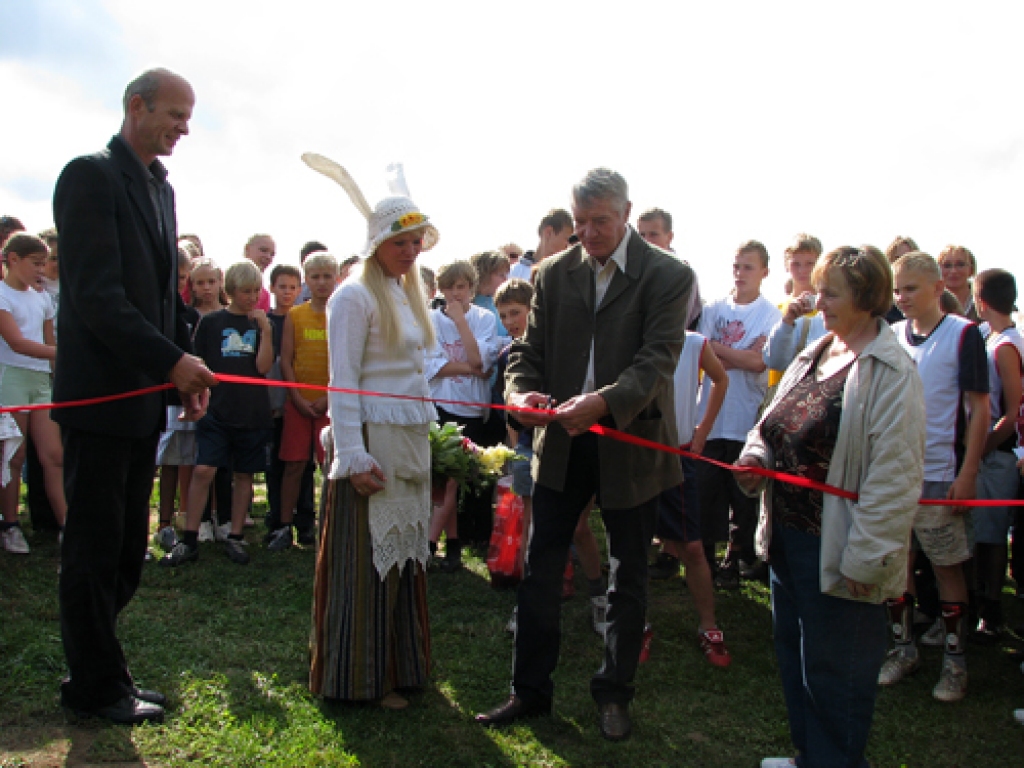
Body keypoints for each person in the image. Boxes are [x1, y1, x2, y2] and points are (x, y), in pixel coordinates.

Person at [476, 168, 693, 741]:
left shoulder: (669, 275)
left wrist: (602, 402)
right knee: (541, 568)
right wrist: (519, 393)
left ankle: (614, 693)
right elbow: (529, 351)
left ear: (626, 212)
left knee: (628, 576)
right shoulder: (552, 273)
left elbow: (657, 361)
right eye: (580, 222)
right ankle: (529, 691)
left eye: (600, 221)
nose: (589, 233)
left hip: (631, 444)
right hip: (561, 446)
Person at [52, 68, 215, 724]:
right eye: (174, 115)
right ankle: (94, 686)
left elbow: (159, 296)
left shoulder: (160, 187)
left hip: (143, 400)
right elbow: (98, 298)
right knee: (95, 550)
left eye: (188, 119)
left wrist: (185, 361)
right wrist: (172, 360)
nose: (182, 129)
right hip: (100, 400)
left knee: (124, 552)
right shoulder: (89, 176)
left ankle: (95, 670)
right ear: (136, 105)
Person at [737, 245, 926, 768]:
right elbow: (769, 421)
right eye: (819, 289)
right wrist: (756, 454)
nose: (818, 301)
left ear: (867, 299)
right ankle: (808, 758)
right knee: (797, 660)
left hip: (843, 549)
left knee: (836, 675)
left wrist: (868, 560)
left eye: (831, 293)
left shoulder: (892, 370)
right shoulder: (815, 350)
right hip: (788, 539)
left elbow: (895, 477)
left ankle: (834, 763)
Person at [308, 196, 438, 710]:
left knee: (406, 551)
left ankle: (401, 666)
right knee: (366, 561)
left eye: (416, 241)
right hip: (371, 437)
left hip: (407, 436)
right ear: (377, 243)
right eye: (400, 242)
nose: (410, 250)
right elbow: (342, 383)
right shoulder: (352, 297)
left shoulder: (405, 291)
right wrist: (353, 456)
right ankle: (359, 677)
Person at [879, 251, 989, 703]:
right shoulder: (891, 335)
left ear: (937, 287)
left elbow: (980, 408)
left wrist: (968, 472)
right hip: (894, 473)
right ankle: (903, 649)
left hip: (942, 473)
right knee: (896, 566)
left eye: (911, 288)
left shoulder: (964, 335)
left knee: (946, 567)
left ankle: (955, 661)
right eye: (897, 289)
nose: (902, 297)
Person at [160, 260, 274, 567]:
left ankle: (235, 536)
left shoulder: (260, 325)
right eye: (244, 291)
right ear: (231, 291)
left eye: (255, 291)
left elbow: (263, 367)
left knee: (244, 474)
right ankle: (189, 538)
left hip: (251, 410)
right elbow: (199, 362)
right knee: (204, 470)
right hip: (217, 410)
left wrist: (265, 329)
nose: (251, 297)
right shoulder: (212, 323)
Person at [695, 240, 782, 589]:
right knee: (705, 492)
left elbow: (760, 361)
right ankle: (706, 559)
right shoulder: (714, 308)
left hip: (744, 418)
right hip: (709, 417)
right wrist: (738, 355)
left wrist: (720, 354)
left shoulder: (770, 314)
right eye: (736, 266)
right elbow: (699, 352)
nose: (740, 273)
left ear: (764, 272)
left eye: (748, 267)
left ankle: (736, 559)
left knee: (742, 497)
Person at [652, 328, 732, 666]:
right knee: (630, 543)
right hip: (636, 455)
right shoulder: (632, 333)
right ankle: (632, 624)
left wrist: (703, 429)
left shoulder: (695, 342)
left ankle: (709, 627)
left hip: (679, 454)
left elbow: (721, 379)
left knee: (693, 546)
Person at [425, 260, 502, 567]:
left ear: (471, 288)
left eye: (461, 287)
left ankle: (433, 544)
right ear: (440, 290)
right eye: (449, 287)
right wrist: (470, 368)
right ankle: (448, 543)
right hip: (438, 404)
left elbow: (481, 364)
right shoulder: (430, 319)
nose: (455, 294)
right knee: (443, 479)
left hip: (471, 409)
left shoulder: (483, 317)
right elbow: (431, 366)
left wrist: (460, 323)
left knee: (456, 477)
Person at [0, 233, 64, 552]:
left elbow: (49, 340)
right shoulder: (1, 294)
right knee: (14, 454)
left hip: (40, 381)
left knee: (53, 455)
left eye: (44, 263)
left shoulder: (42, 297)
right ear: (13, 259)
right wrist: (63, 355)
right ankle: (9, 525)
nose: (41, 270)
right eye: (35, 264)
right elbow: (17, 342)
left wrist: (58, 362)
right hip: (10, 377)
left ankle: (68, 526)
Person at [271, 252, 338, 550]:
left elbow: (347, 362)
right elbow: (286, 360)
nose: (321, 282)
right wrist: (296, 396)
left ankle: (330, 526)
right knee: (294, 465)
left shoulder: (341, 313)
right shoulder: (295, 316)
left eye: (327, 276)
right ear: (305, 280)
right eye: (315, 276)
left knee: (330, 467)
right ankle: (284, 527)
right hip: (297, 403)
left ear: (336, 277)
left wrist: (327, 396)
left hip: (332, 404)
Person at [970, 269, 1023, 640]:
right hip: (989, 452)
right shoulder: (992, 338)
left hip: (998, 455)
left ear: (982, 300)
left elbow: (1014, 411)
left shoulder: (1005, 345)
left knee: (990, 536)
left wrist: (981, 448)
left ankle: (991, 609)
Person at [153, 247, 202, 551]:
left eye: (183, 278)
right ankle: (163, 522)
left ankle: (183, 520)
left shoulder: (188, 316)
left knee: (185, 461)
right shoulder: (149, 313)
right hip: (155, 401)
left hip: (181, 401)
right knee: (161, 464)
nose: (178, 283)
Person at [636, 207, 703, 329]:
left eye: (653, 235)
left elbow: (678, 322)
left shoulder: (681, 273)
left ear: (669, 237)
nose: (646, 241)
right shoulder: (632, 270)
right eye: (642, 235)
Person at [509, 208, 574, 282]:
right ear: (548, 232)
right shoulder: (513, 273)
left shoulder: (566, 277)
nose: (568, 247)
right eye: (566, 239)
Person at [937, 245, 980, 322]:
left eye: (960, 265)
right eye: (947, 265)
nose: (953, 271)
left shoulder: (983, 300)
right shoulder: (932, 302)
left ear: (971, 269)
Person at [243, 233, 276, 312]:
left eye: (272, 254)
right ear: (247, 249)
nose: (268, 257)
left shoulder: (264, 295)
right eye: (263, 250)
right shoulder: (223, 282)